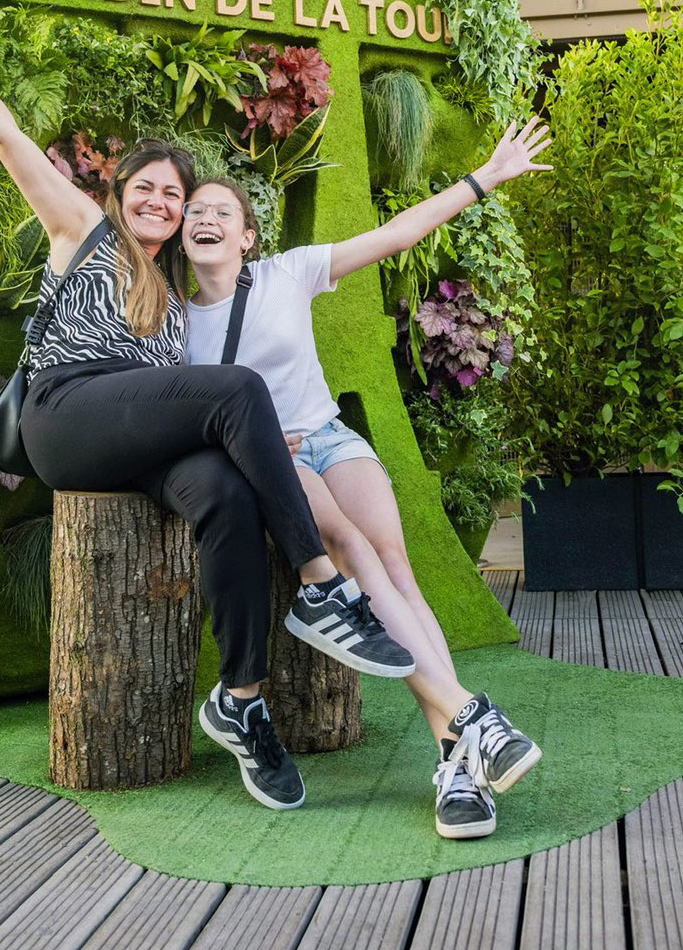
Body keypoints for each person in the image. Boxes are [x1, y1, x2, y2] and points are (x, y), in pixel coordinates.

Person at [0, 0, 413, 813]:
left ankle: (240, 700)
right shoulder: (83, 230)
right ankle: (319, 582)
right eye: (147, 188)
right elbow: (6, 136)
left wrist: (266, 449)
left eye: (175, 194)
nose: (162, 201)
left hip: (128, 443)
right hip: (65, 414)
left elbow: (176, 414)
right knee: (238, 390)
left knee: (227, 492)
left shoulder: (172, 303)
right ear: (118, 196)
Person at [182, 116, 552, 839]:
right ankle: (472, 722)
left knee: (395, 567)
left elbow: (396, 235)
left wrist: (484, 178)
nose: (206, 218)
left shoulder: (287, 273)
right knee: (348, 548)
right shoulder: (172, 322)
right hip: (275, 459)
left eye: (223, 211)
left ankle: (455, 751)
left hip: (330, 437)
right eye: (196, 210)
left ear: (248, 236)